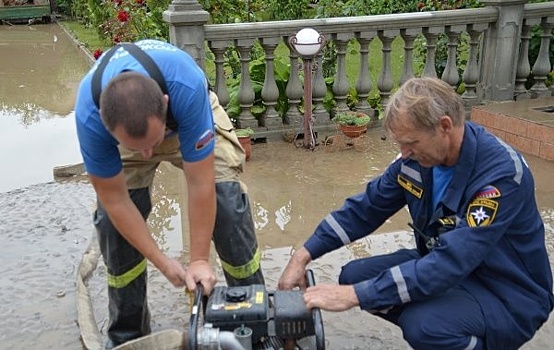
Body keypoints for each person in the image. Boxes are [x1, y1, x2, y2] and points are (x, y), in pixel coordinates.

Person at [279, 77, 554, 349]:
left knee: (423, 325)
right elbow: (365, 208)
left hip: (505, 292)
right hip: (449, 266)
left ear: (444, 126)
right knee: (355, 277)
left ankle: (458, 333)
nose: (404, 152)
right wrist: (303, 255)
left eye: (410, 142)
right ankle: (442, 325)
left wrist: (355, 297)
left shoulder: (500, 176)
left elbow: (452, 261)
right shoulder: (416, 161)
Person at [74, 39, 264, 349]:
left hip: (184, 121)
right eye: (141, 150)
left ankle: (254, 317)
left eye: (152, 145)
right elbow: (115, 200)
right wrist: (163, 262)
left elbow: (200, 184)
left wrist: (199, 260)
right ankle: (129, 334)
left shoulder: (184, 88)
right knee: (112, 226)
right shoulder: (89, 117)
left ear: (164, 102)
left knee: (226, 202)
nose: (149, 155)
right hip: (130, 133)